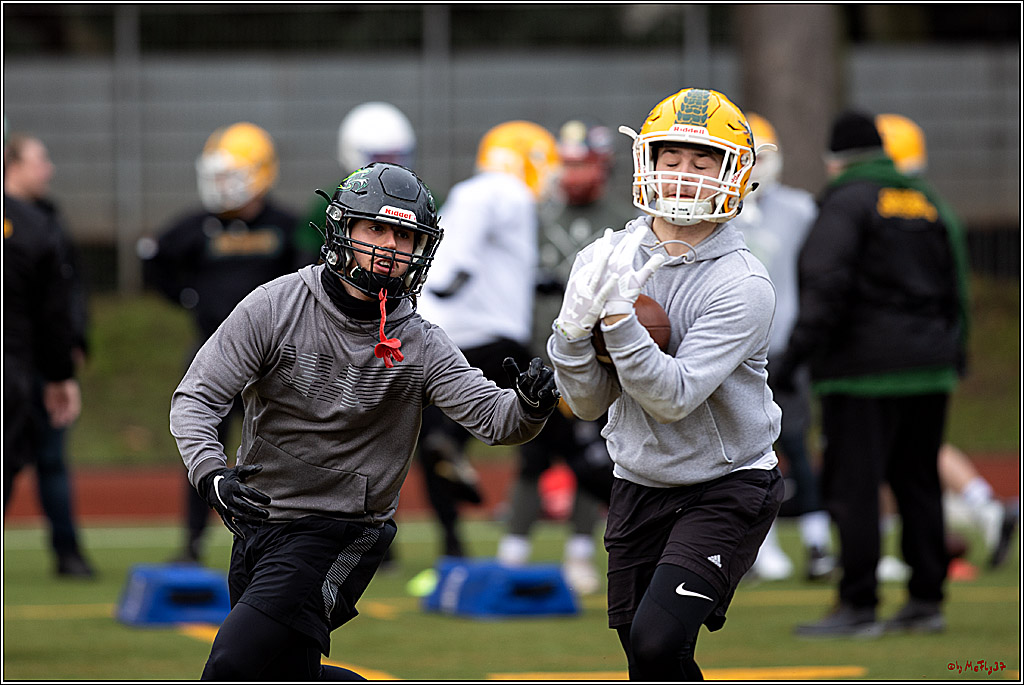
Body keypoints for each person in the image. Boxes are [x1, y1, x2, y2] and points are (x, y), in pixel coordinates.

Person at [169, 162, 560, 679]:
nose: (389, 246)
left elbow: (495, 418)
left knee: (232, 666)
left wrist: (530, 405)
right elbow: (197, 397)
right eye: (375, 228)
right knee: (286, 673)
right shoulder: (274, 306)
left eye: (403, 235)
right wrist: (211, 472)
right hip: (260, 521)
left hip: (341, 529)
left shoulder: (422, 342)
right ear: (342, 230)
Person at [548, 87, 784, 680]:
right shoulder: (608, 256)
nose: (683, 176)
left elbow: (673, 397)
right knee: (647, 657)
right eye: (670, 159)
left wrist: (621, 322)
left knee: (657, 641)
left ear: (736, 172)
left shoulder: (742, 282)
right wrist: (571, 337)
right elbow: (586, 402)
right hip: (637, 479)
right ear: (645, 163)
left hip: (725, 482)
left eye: (702, 161)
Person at [773, 110, 971, 637]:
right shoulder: (927, 202)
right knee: (919, 483)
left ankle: (858, 603)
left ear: (834, 159)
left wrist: (794, 358)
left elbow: (824, 283)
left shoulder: (844, 204)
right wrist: (956, 352)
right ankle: (927, 599)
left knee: (854, 486)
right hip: (929, 367)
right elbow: (959, 284)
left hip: (861, 372)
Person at [137, 122, 300, 564]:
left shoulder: (288, 227)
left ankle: (291, 538)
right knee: (202, 447)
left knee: (287, 447)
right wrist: (190, 298)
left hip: (274, 361)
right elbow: (155, 261)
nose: (221, 184)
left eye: (233, 173)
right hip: (214, 353)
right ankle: (192, 544)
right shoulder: (196, 227)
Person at [875, 112, 1017, 571]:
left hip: (883, 351)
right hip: (932, 348)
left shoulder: (869, 215)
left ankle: (887, 551)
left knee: (877, 443)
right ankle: (981, 505)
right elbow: (958, 286)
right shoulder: (936, 209)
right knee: (919, 444)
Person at [496, 119, 633, 594]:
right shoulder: (537, 215)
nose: (573, 173)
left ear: (603, 166)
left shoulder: (622, 218)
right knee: (531, 456)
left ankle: (579, 552)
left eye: (582, 163)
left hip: (598, 361)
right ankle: (512, 553)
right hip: (539, 356)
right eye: (567, 162)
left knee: (589, 461)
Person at [415, 120, 562, 559]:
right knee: (553, 431)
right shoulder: (500, 191)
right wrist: (445, 280)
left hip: (443, 337)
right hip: (490, 340)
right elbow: (458, 255)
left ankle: (453, 548)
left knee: (432, 439)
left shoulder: (476, 193)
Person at [728, 114, 835, 583]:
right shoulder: (718, 209)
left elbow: (820, 272)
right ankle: (759, 547)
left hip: (784, 346)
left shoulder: (800, 208)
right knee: (742, 451)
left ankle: (817, 544)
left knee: (793, 442)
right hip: (730, 348)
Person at [3, 133, 95, 578]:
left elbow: (66, 296)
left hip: (31, 365)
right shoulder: (36, 229)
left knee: (51, 458)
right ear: (11, 164)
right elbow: (55, 304)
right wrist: (61, 371)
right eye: (39, 160)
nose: (49, 168)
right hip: (20, 370)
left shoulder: (46, 220)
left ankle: (68, 551)